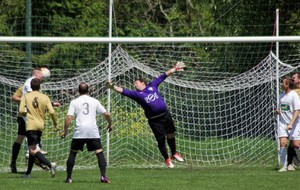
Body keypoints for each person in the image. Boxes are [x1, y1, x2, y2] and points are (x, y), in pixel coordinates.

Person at [105, 62, 185, 168]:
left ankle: (174, 153)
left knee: (170, 134)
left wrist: (174, 68)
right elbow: (123, 91)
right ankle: (167, 160)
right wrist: (112, 87)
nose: (135, 85)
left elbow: (163, 76)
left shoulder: (153, 85)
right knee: (161, 140)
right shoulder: (136, 94)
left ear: (143, 83)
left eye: (136, 83)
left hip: (165, 115)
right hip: (154, 120)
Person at [61, 82, 112, 184]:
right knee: (99, 152)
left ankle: (69, 178)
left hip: (79, 131)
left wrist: (65, 131)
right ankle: (103, 176)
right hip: (92, 131)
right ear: (88, 90)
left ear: (78, 90)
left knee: (73, 152)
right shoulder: (95, 101)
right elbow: (106, 114)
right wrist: (110, 124)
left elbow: (68, 118)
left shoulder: (74, 102)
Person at [19, 78, 59, 178]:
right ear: (40, 86)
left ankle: (50, 165)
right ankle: (28, 173)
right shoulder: (45, 97)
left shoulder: (26, 96)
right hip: (40, 125)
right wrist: (56, 124)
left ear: (31, 87)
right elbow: (52, 112)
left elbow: (20, 110)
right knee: (32, 149)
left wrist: (28, 113)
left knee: (33, 150)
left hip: (31, 125)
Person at [276, 76, 300, 172]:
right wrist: (278, 111)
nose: (282, 84)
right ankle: (284, 166)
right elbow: (280, 108)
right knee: (282, 143)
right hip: (283, 123)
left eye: (283, 83)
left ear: (288, 85)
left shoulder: (294, 95)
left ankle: (297, 161)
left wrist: (291, 124)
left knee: (296, 144)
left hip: (294, 123)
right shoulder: (281, 95)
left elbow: (297, 111)